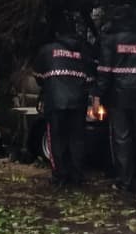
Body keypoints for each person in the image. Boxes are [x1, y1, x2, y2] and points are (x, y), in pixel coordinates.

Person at [93, 6, 136, 194]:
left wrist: (97, 96)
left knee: (122, 139)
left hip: (118, 97)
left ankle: (125, 181)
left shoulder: (110, 42)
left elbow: (104, 73)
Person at [34, 14, 95, 186]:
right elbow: (90, 79)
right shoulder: (82, 52)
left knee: (56, 139)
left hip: (55, 101)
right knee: (77, 139)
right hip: (78, 103)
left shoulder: (47, 51)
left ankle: (60, 177)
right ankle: (77, 176)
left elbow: (38, 77)